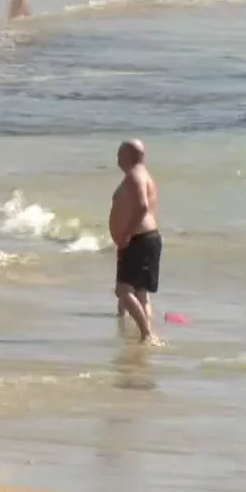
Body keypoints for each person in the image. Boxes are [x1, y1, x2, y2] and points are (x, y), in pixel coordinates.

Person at [108, 140, 161, 344]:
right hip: (148, 237)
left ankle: (147, 333)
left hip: (138, 239)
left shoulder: (135, 176)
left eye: (120, 155)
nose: (117, 160)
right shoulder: (145, 175)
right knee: (140, 292)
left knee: (123, 290)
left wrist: (127, 233)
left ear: (129, 155)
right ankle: (145, 333)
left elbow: (142, 207)